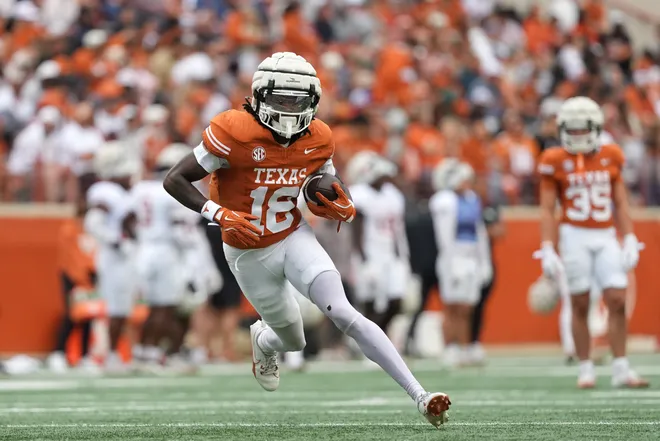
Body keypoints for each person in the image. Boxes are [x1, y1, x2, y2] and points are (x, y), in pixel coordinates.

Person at [163, 52, 450, 427]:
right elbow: (175, 179)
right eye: (281, 98)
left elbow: (322, 179)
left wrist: (336, 198)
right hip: (246, 249)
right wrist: (219, 214)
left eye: (298, 100)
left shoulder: (319, 136)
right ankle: (263, 342)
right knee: (293, 339)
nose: (290, 108)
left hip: (292, 234)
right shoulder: (232, 129)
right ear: (260, 95)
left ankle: (421, 395)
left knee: (344, 312)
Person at [537, 96, 648, 389]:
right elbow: (548, 208)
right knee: (580, 301)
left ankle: (621, 367)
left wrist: (630, 237)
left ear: (595, 127)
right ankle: (586, 367)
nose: (576, 136)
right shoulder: (553, 160)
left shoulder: (612, 154)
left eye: (581, 130)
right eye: (570, 130)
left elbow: (620, 202)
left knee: (617, 299)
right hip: (573, 235)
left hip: (605, 232)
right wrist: (547, 247)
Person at [126, 143, 192, 367]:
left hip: (143, 248)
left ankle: (143, 349)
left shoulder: (140, 188)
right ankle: (153, 352)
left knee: (152, 305)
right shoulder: (171, 190)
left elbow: (129, 220)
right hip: (165, 250)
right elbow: (180, 230)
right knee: (166, 305)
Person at [429, 159, 492, 368]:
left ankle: (465, 348)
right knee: (451, 306)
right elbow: (444, 236)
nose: (468, 183)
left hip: (470, 257)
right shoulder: (444, 200)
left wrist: (485, 261)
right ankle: (450, 347)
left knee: (467, 307)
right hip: (452, 258)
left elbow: (480, 232)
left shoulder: (472, 198)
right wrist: (450, 262)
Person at [84, 141, 139, 373]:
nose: (130, 177)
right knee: (117, 309)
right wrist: (117, 241)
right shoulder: (105, 191)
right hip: (114, 258)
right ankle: (108, 356)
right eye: (126, 173)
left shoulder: (118, 192)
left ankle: (113, 354)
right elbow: (93, 222)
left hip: (123, 257)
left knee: (124, 309)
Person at [347, 151, 409, 337]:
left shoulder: (393, 195)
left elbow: (397, 229)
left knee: (396, 300)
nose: (385, 179)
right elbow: (356, 229)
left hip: (391, 254)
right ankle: (370, 341)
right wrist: (362, 257)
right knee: (369, 302)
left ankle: (378, 337)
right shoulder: (360, 194)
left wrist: (400, 255)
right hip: (370, 254)